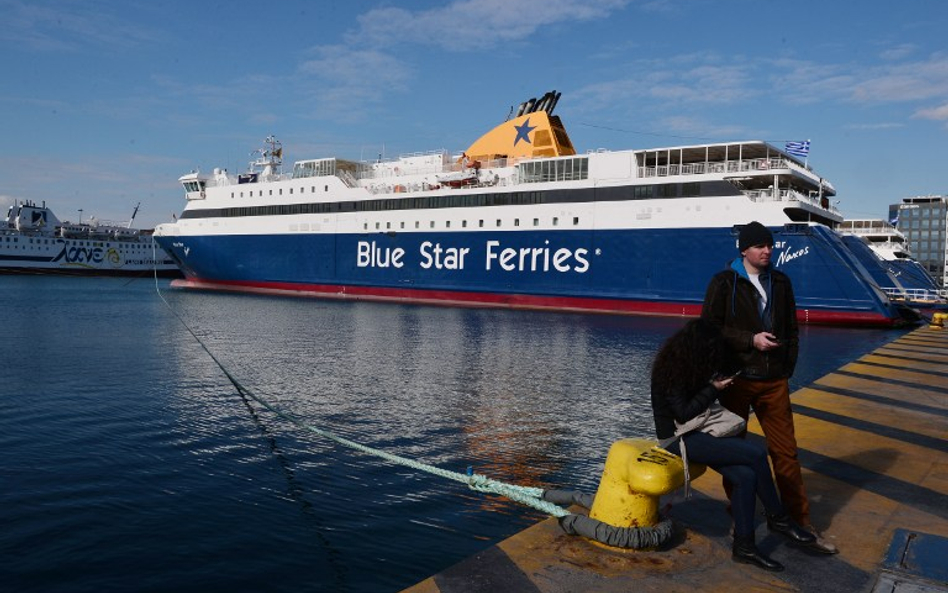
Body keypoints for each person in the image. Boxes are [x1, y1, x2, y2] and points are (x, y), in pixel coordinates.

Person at [701, 221, 838, 554]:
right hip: (736, 379)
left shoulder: (781, 281)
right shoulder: (724, 282)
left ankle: (800, 521)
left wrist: (785, 369)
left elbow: (790, 328)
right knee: (737, 452)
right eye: (760, 246)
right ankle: (740, 515)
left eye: (769, 245)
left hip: (773, 381)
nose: (768, 250)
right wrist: (750, 339)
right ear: (744, 249)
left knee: (786, 452)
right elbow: (709, 328)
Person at [651, 319, 815, 572]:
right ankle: (778, 518)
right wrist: (713, 388)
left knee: (746, 476)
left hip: (698, 432)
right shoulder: (670, 370)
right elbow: (683, 413)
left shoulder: (690, 362)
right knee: (757, 453)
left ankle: (744, 547)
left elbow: (726, 367)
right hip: (678, 439)